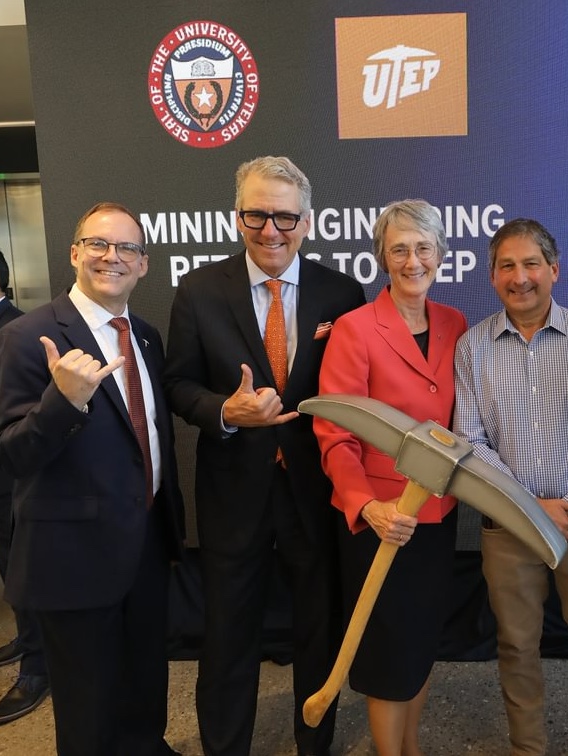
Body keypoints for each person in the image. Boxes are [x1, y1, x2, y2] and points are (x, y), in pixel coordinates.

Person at [163, 156, 366, 756]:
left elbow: (353, 390)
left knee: (317, 627)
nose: (270, 229)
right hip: (232, 490)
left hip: (317, 486)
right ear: (237, 216)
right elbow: (176, 384)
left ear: (307, 222)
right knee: (227, 633)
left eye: (284, 216)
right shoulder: (200, 290)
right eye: (257, 214)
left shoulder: (341, 291)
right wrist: (226, 412)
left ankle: (314, 745)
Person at [0, 203, 184, 755]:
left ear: (143, 264)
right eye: (99, 244)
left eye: (127, 248)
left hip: (146, 543)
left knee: (146, 683)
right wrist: (64, 403)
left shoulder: (144, 335)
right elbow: (8, 455)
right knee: (88, 707)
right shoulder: (27, 337)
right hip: (72, 556)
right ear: (75, 252)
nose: (112, 257)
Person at [453, 218, 568, 756]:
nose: (520, 276)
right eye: (506, 265)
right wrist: (530, 507)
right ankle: (528, 749)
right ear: (492, 276)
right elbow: (470, 440)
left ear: (554, 269)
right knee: (516, 648)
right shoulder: (472, 347)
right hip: (508, 528)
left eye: (531, 263)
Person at [314, 199, 467, 756]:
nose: (413, 260)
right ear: (381, 255)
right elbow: (336, 434)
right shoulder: (354, 329)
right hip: (380, 520)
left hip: (435, 515)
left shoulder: (454, 322)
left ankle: (411, 747)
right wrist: (364, 506)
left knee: (420, 642)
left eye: (423, 248)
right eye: (399, 249)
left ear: (441, 255)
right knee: (385, 652)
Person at [0, 244, 51, 727]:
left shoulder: (20, 331)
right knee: (7, 568)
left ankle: (37, 667)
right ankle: (26, 641)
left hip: (10, 479)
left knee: (23, 568)